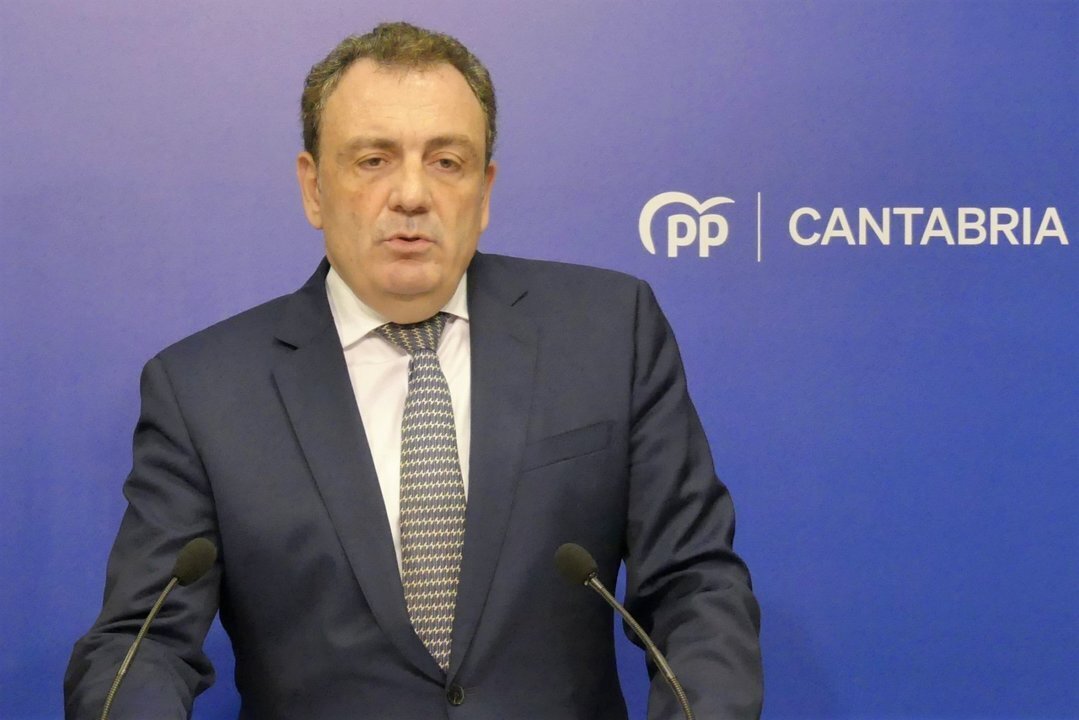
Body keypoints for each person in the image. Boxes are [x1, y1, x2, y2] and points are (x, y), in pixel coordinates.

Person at [65, 21, 763, 719]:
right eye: (373, 160)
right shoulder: (204, 392)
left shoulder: (608, 332)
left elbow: (693, 585)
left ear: (484, 191)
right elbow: (144, 644)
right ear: (313, 187)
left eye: (446, 161)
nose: (410, 194)